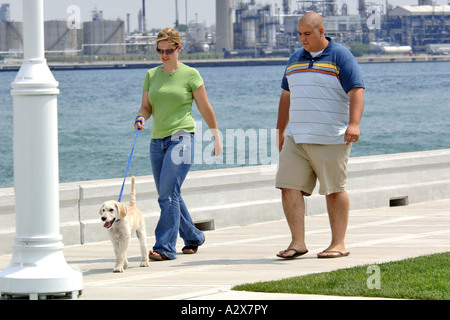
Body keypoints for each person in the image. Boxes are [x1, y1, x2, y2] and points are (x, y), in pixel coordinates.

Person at [275, 12, 364, 259]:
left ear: (321, 31)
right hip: (296, 138)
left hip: (331, 137)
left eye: (307, 34)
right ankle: (298, 243)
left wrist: (354, 124)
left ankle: (338, 244)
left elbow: (356, 91)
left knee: (334, 190)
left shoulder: (340, 56)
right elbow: (286, 96)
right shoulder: (294, 59)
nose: (303, 39)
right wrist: (280, 130)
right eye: (299, 34)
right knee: (288, 187)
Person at [134, 27, 222, 260]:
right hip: (156, 142)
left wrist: (215, 135)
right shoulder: (151, 75)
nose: (163, 55)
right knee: (170, 193)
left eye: (168, 51)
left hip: (182, 138)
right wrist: (141, 117)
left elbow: (205, 107)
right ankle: (193, 237)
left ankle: (164, 247)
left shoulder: (191, 74)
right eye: (160, 51)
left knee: (167, 195)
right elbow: (147, 107)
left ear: (178, 49)